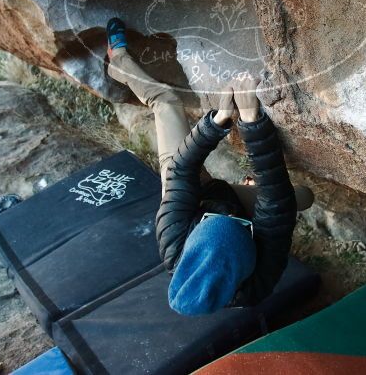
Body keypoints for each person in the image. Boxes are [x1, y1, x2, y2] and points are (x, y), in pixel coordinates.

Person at [105, 17, 314, 316]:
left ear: (193, 236)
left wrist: (217, 122)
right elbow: (277, 204)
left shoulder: (173, 238)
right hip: (219, 209)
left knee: (166, 102)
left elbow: (183, 169)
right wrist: (252, 122)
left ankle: (119, 63)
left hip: (194, 191)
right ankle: (243, 206)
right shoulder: (260, 279)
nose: (229, 215)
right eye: (240, 224)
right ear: (250, 253)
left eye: (216, 221)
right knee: (302, 197)